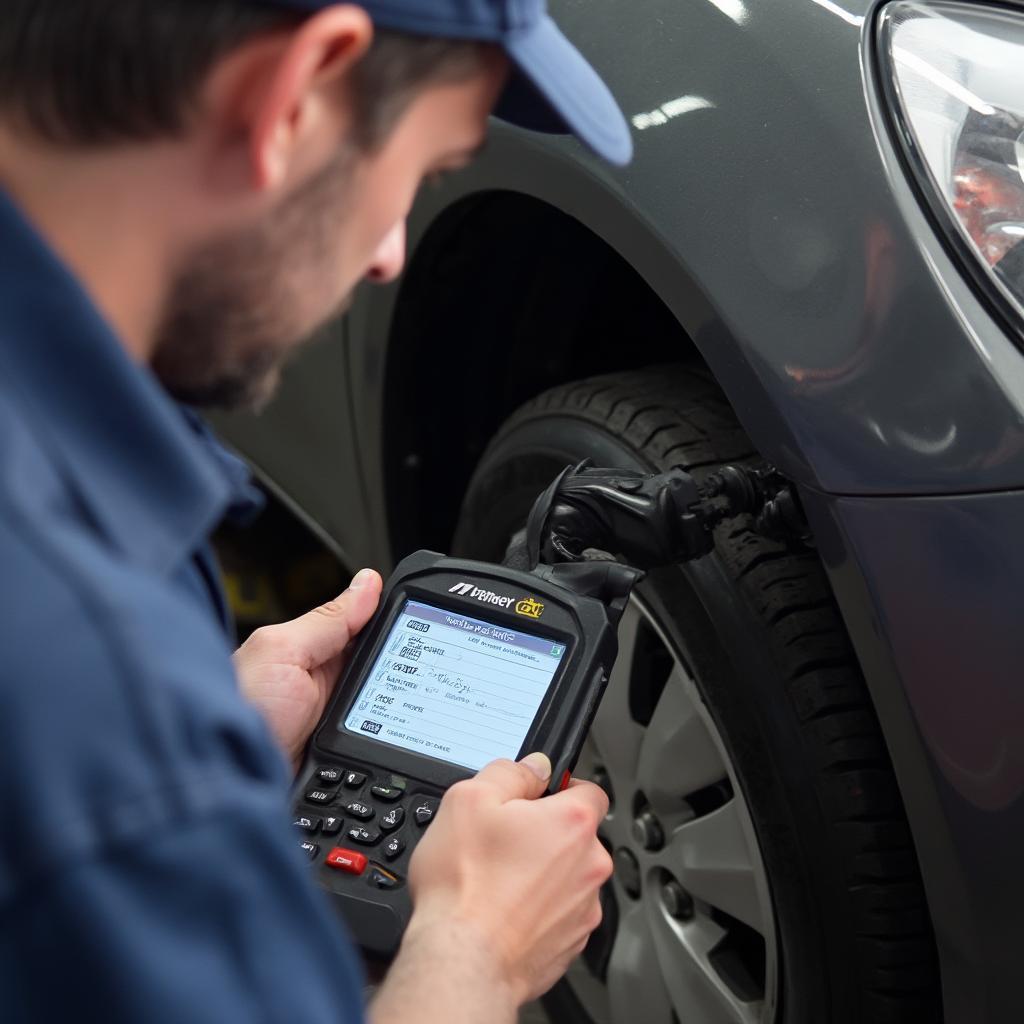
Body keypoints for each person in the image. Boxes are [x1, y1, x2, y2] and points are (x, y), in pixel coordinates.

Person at [0, 2, 633, 1022]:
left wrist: (211, 756)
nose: (389, 253)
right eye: (422, 173)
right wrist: (475, 951)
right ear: (293, 97)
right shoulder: (100, 688)